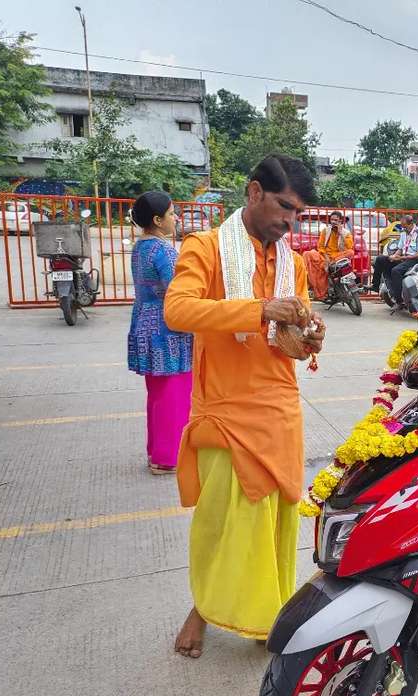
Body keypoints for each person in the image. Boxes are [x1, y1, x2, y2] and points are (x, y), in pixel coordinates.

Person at [164, 154, 326, 657]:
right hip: (224, 409)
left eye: (298, 213)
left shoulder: (293, 263)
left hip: (279, 406)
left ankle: (265, 615)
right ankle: (203, 608)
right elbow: (177, 310)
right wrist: (259, 309)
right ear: (254, 192)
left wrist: (310, 336)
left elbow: (293, 334)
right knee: (221, 522)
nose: (290, 221)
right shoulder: (206, 247)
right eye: (284, 207)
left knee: (274, 521)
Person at [127, 191, 193, 475]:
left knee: (157, 396)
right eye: (171, 213)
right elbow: (178, 292)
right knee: (173, 396)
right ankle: (167, 459)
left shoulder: (140, 247)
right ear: (157, 220)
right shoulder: (164, 251)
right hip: (168, 332)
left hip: (145, 325)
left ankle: (156, 452)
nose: (175, 218)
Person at [370, 214, 418, 303]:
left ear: (410, 224)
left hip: (415, 260)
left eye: (405, 226)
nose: (403, 228)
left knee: (396, 271)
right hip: (404, 258)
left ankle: (399, 300)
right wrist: (394, 256)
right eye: (402, 226)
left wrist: (401, 258)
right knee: (380, 259)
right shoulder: (403, 232)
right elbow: (400, 248)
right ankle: (375, 286)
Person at [303, 210, 354, 300]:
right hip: (325, 256)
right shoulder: (325, 231)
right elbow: (320, 247)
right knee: (307, 254)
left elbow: (349, 246)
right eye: (332, 220)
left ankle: (330, 264)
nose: (333, 222)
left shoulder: (346, 233)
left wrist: (340, 233)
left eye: (336, 220)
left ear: (340, 221)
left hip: (337, 257)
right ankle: (315, 288)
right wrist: (326, 258)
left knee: (351, 252)